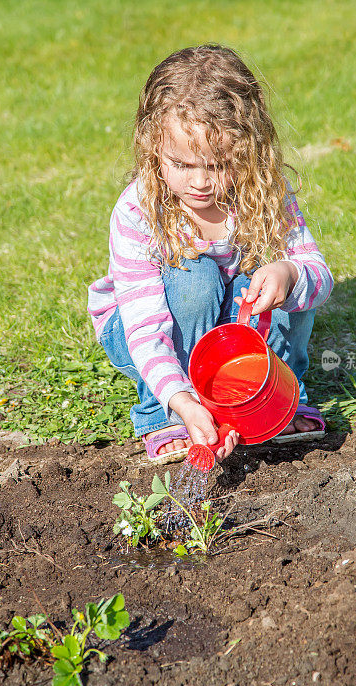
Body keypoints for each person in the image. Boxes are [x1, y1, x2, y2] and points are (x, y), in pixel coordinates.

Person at [88, 45, 333, 464]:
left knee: (281, 280)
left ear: (248, 150)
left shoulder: (267, 195)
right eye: (181, 164)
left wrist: (290, 274)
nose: (200, 182)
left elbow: (320, 276)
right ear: (153, 149)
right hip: (139, 330)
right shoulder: (138, 211)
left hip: (227, 330)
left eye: (219, 166)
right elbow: (145, 327)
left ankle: (277, 396)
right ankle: (160, 413)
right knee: (193, 278)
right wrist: (181, 399)